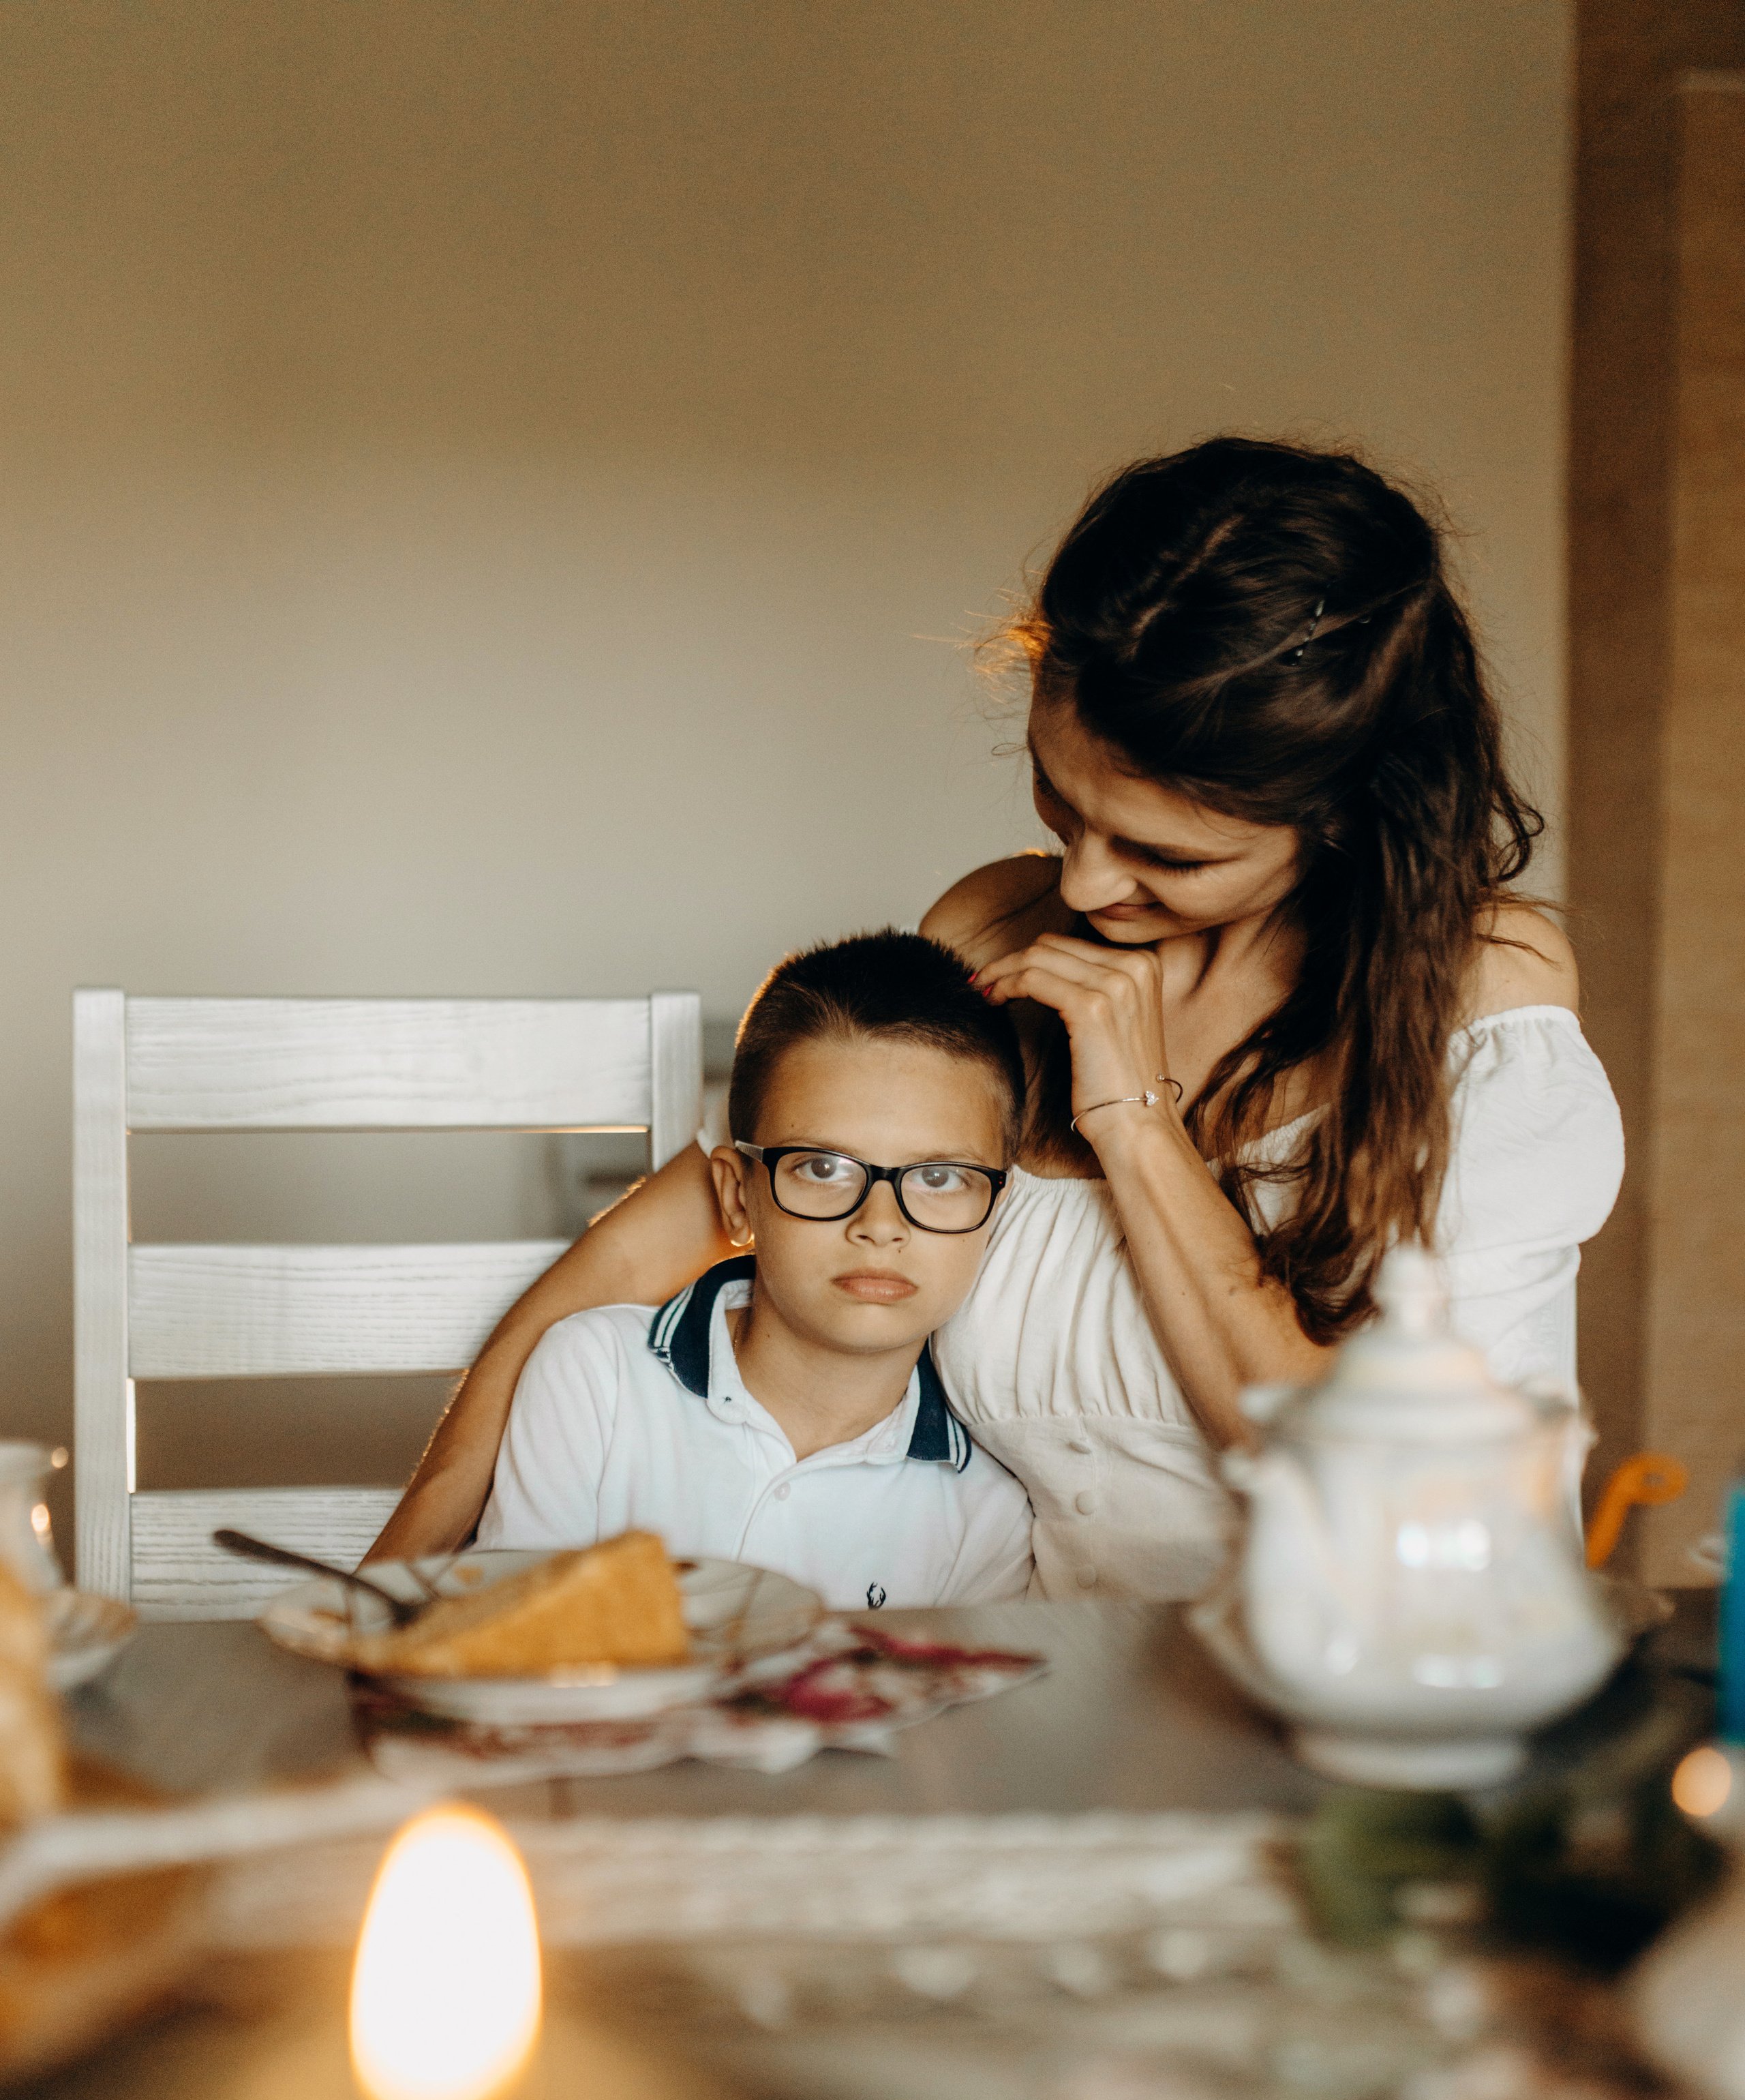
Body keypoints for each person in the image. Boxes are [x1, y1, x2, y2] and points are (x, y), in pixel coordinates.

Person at [370, 437, 1623, 1602]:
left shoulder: (1477, 1003)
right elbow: (698, 1219)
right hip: (1047, 1698)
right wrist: (403, 1567)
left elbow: (1359, 1484)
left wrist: (1133, 1122)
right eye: (1057, 802)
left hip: (1383, 1697)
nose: (1078, 887)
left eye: (1165, 855)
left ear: (1344, 814)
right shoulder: (993, 927)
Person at [475, 930, 1035, 1611]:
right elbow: (512, 1649)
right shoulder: (597, 1377)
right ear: (740, 1197)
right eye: (823, 1168)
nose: (881, 1224)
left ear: (996, 1213)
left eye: (940, 1177)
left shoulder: (988, 1516)